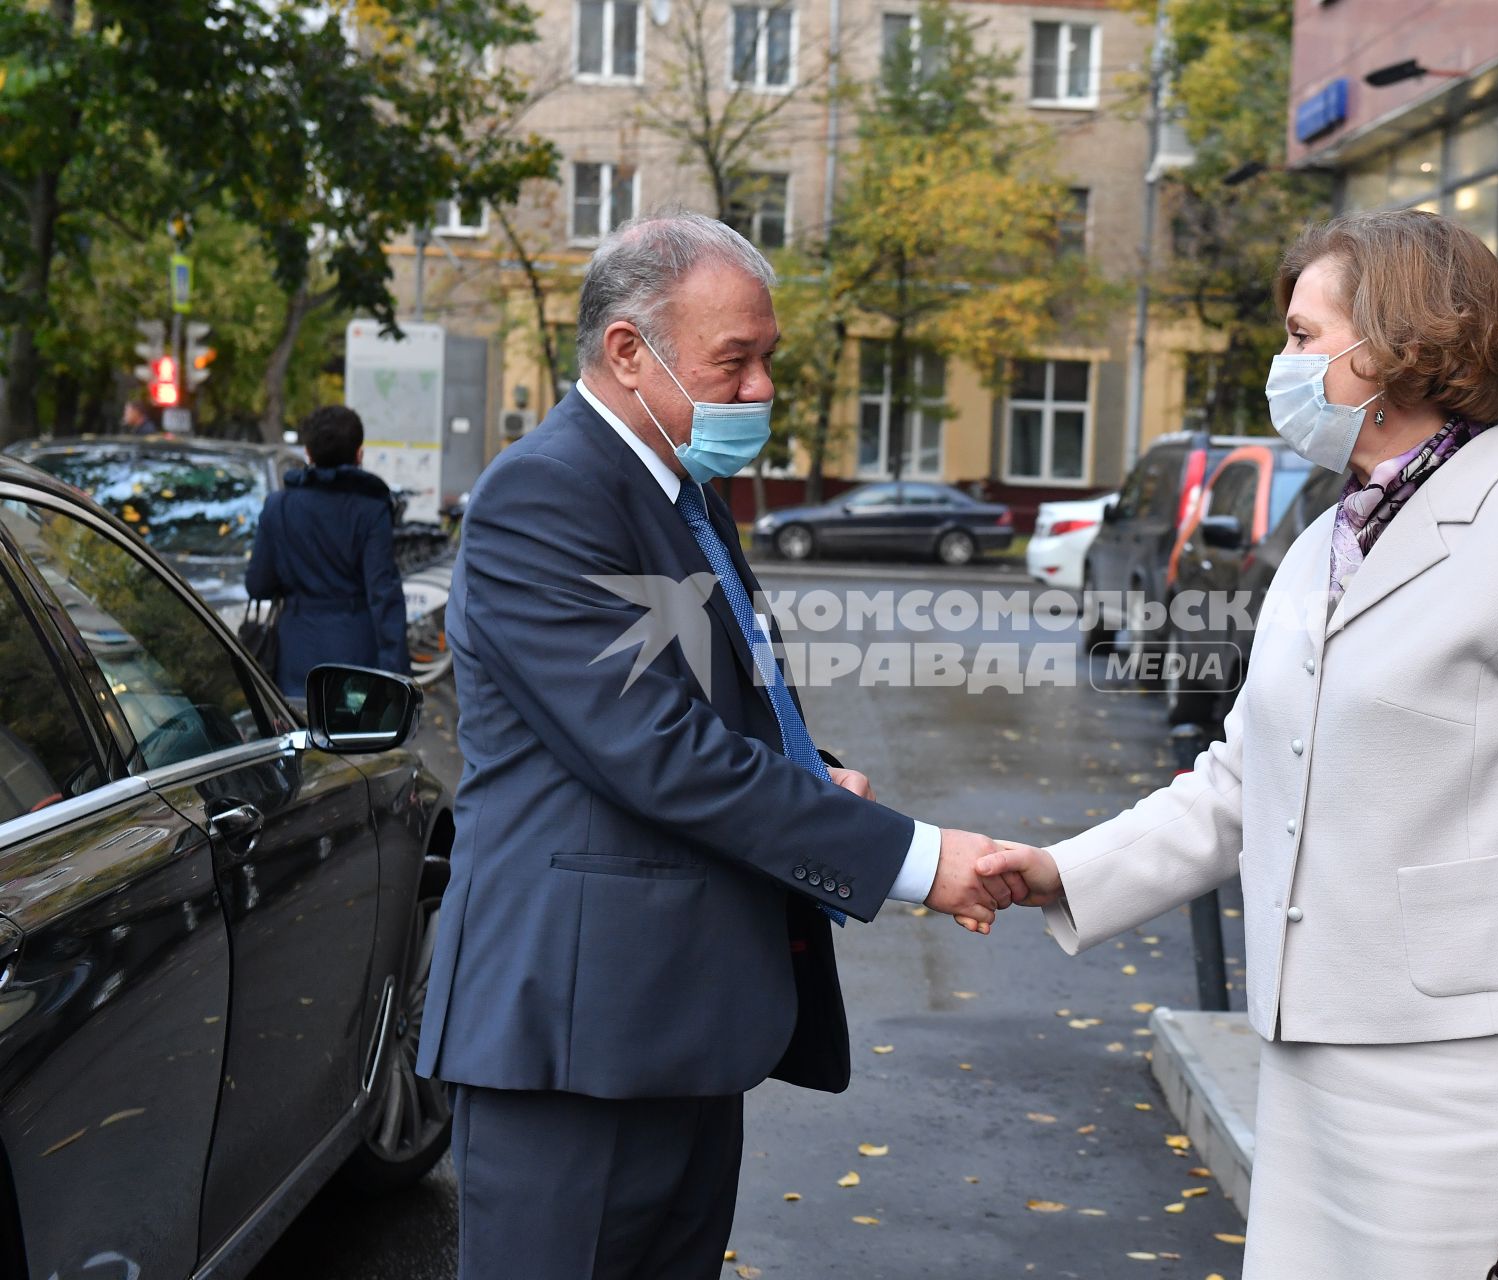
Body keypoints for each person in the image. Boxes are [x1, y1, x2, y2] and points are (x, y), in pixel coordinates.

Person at [980, 208, 1498, 1274]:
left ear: (1396, 345)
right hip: (1312, 1059)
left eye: (1305, 336)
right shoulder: (1326, 539)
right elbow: (1241, 782)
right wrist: (1060, 872)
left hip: (1466, 1085)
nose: (1283, 363)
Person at [414, 212, 1018, 1280]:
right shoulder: (544, 493)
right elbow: (657, 749)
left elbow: (709, 702)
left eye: (766, 359)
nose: (758, 391)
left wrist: (809, 766)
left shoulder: (678, 490)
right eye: (731, 361)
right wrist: (917, 858)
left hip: (676, 1025)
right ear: (628, 351)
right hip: (576, 1039)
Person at [244, 405, 409, 697]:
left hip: (295, 651)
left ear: (308, 453)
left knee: (298, 734)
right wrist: (397, 675)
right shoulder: (371, 510)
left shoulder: (278, 506)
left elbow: (258, 585)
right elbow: (384, 594)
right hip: (356, 652)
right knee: (352, 735)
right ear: (359, 454)